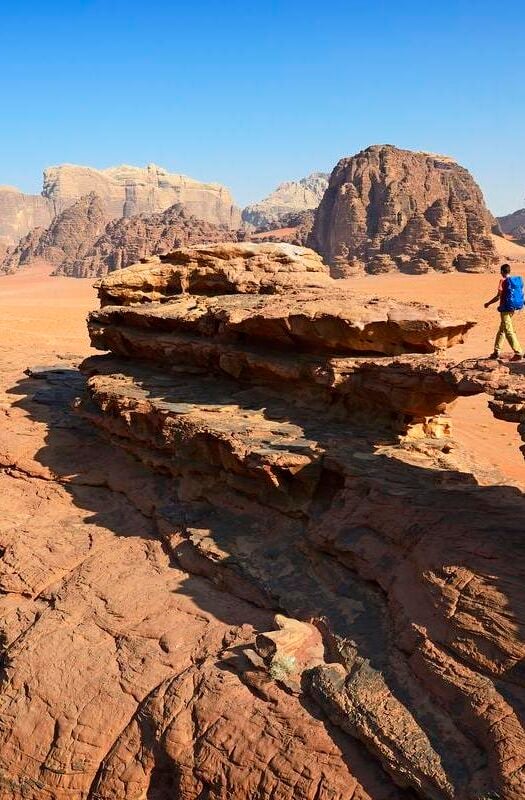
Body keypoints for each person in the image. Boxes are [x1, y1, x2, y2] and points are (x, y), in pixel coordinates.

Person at [484, 263, 524, 361]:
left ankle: (518, 352)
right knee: (502, 330)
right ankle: (496, 351)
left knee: (508, 330)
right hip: (513, 308)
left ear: (502, 271)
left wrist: (488, 303)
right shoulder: (515, 281)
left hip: (505, 309)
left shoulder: (503, 281)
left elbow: (498, 296)